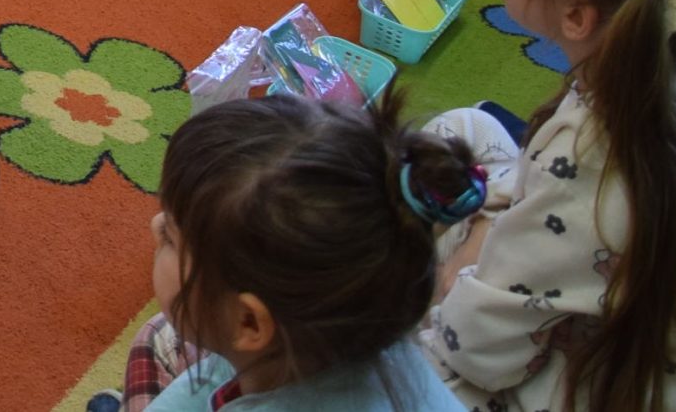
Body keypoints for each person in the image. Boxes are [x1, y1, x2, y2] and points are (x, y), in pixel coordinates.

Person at [418, 0, 676, 411]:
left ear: (577, 16)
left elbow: (479, 353)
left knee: (374, 357)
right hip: (640, 322)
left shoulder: (590, 154)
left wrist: (450, 285)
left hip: (593, 384)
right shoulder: (674, 81)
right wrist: (493, 232)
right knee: (464, 128)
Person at [118, 96, 474, 411]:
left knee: (156, 341)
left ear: (249, 321)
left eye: (170, 237)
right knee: (163, 333)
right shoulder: (372, 332)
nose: (154, 224)